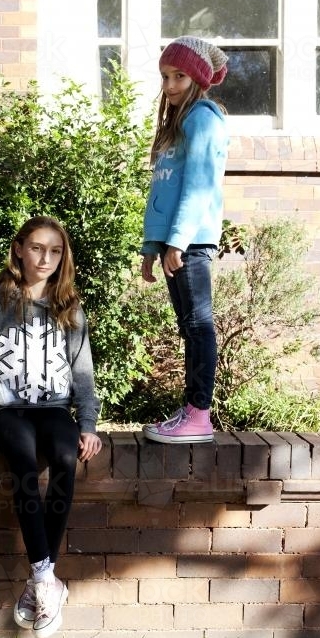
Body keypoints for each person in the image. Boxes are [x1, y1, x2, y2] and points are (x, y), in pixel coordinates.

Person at [0, 216, 102, 638]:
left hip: (55, 409)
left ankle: (40, 581)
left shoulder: (70, 306)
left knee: (65, 458)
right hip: (11, 412)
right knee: (23, 464)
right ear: (20, 250)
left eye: (56, 251)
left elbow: (83, 371)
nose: (46, 258)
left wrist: (89, 423)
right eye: (38, 248)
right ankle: (46, 579)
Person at [139, 36, 229, 444]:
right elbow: (162, 194)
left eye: (179, 76)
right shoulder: (177, 124)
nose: (170, 84)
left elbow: (198, 188)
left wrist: (176, 242)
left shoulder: (203, 118)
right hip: (177, 242)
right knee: (189, 326)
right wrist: (152, 248)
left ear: (198, 79)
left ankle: (199, 414)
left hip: (191, 242)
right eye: (165, 76)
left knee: (198, 325)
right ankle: (192, 411)